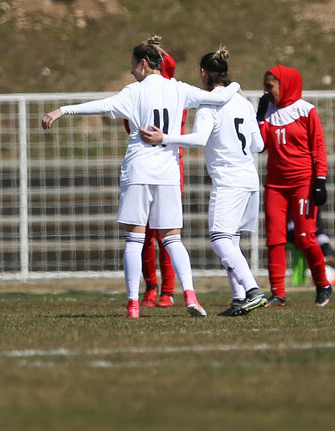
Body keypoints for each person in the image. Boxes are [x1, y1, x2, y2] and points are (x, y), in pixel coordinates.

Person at [42, 36, 241, 319]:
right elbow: (220, 97)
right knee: (173, 239)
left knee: (134, 240)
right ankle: (191, 296)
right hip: (169, 173)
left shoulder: (133, 92)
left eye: (134, 65)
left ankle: (133, 305)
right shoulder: (179, 89)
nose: (132, 70)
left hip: (138, 171)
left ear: (144, 64)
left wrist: (62, 110)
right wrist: (235, 84)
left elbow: (100, 105)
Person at [141, 46, 268, 316]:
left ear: (203, 73)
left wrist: (165, 138)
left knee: (220, 240)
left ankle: (253, 291)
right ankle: (239, 299)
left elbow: (199, 139)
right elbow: (258, 145)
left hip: (229, 181)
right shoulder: (244, 103)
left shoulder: (210, 104)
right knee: (231, 242)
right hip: (249, 180)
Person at [256, 65, 332, 307]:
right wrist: (259, 118)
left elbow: (318, 147)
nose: (266, 92)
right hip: (275, 184)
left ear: (285, 85)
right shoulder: (268, 111)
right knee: (274, 238)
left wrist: (320, 180)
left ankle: (323, 285)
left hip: (303, 182)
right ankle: (278, 293)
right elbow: (260, 146)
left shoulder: (306, 110)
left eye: (270, 87)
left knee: (305, 238)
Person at [128, 51, 183, 309]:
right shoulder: (141, 93)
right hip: (145, 165)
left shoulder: (175, 92)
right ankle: (151, 286)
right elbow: (130, 126)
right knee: (144, 232)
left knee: (166, 232)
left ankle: (168, 290)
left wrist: (155, 50)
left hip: (170, 167)